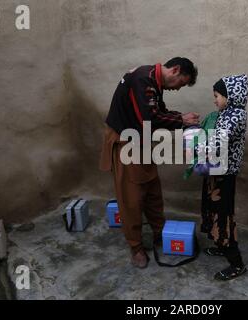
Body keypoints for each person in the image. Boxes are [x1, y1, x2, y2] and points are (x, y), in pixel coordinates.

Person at [100, 57, 199, 268]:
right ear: (175, 70)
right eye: (181, 83)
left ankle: (159, 233)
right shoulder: (143, 80)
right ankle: (135, 247)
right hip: (125, 141)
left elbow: (158, 111)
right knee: (131, 198)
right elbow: (150, 118)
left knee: (153, 190)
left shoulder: (153, 80)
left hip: (141, 140)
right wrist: (182, 121)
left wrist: (181, 117)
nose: (178, 89)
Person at [200, 74, 248, 280]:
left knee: (223, 215)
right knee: (213, 209)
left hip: (224, 175)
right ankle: (221, 244)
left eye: (217, 95)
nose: (214, 100)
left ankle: (236, 263)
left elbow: (219, 141)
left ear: (231, 95)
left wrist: (196, 145)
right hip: (215, 170)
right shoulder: (225, 113)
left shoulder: (235, 115)